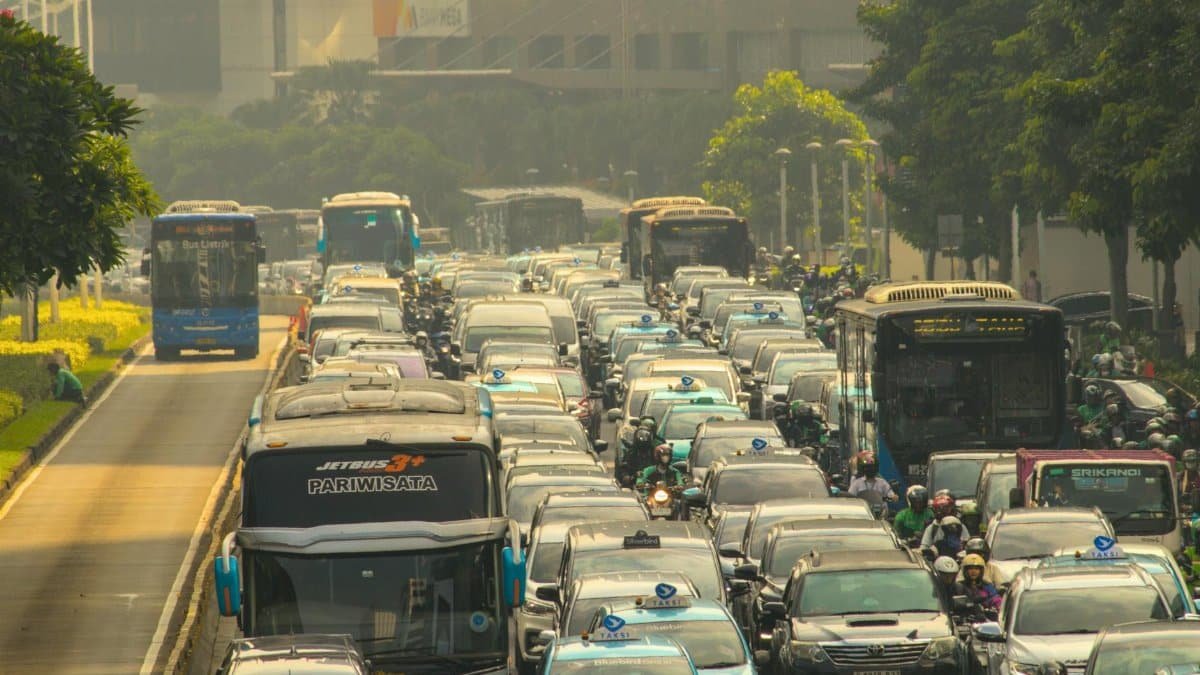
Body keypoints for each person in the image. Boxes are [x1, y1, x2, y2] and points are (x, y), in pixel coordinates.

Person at [622, 417, 660, 487]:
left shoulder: (656, 452)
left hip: (653, 485)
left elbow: (664, 468)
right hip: (634, 486)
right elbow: (624, 471)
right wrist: (630, 477)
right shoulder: (631, 454)